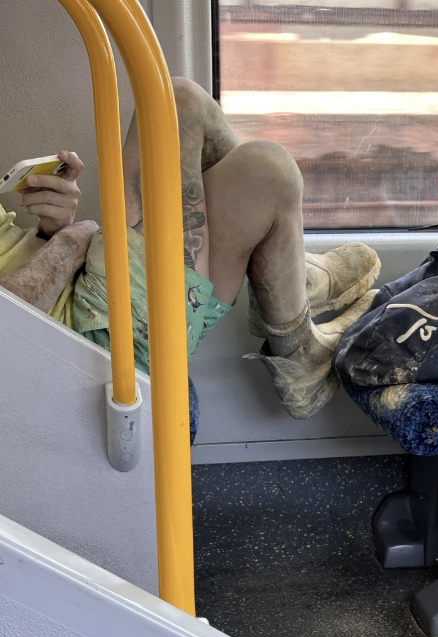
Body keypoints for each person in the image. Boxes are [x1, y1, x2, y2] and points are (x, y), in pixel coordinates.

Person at [0, 78, 380, 420]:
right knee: (268, 171)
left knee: (173, 98)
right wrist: (70, 242)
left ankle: (292, 290)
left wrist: (50, 230)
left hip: (63, 292)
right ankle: (299, 332)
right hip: (79, 339)